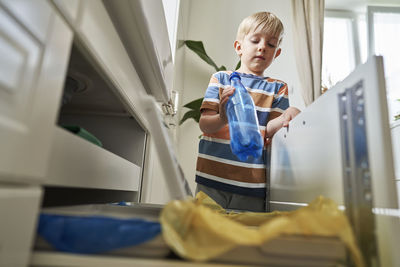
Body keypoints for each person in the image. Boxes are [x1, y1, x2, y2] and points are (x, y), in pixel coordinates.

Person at [195, 11, 301, 212]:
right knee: (205, 235)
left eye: (271, 44)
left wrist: (289, 114)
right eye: (255, 40)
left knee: (246, 238)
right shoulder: (221, 79)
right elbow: (205, 124)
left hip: (250, 186)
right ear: (239, 47)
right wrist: (223, 117)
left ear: (276, 53)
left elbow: (268, 130)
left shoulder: (277, 88)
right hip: (211, 179)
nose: (262, 47)